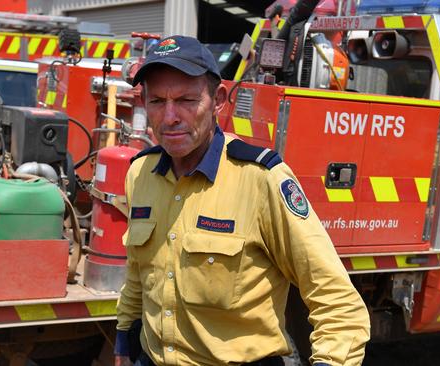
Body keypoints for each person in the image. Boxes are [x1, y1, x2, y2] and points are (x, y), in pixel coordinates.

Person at [115, 35, 370, 366]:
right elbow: (138, 274)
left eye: (187, 100)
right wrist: (123, 343)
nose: (169, 117)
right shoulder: (141, 173)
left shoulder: (261, 179)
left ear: (218, 100)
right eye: (157, 101)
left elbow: (337, 302)